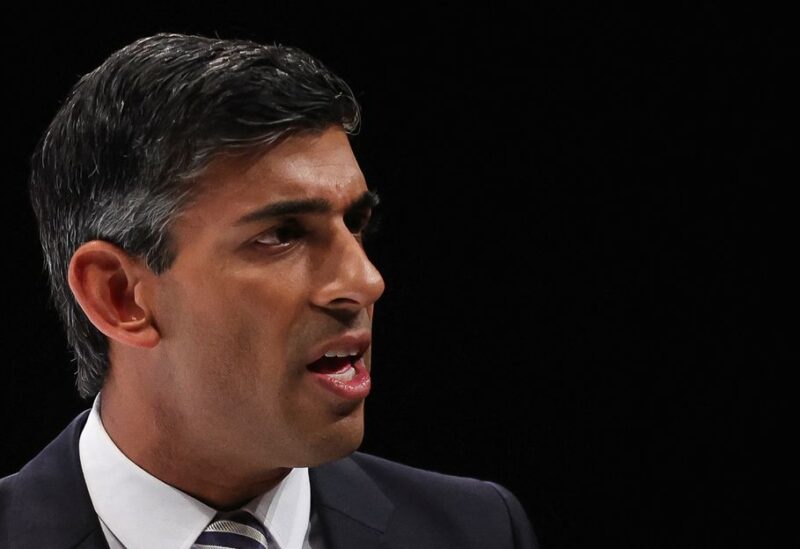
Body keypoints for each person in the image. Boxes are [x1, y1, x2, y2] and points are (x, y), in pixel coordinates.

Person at [0, 33, 537, 548]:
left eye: (356, 224)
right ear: (119, 297)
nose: (365, 281)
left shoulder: (478, 529)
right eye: (282, 235)